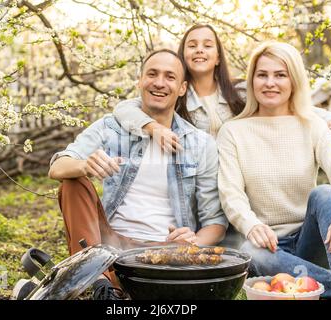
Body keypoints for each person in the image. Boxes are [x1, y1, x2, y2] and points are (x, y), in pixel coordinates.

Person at [112, 24, 331, 249]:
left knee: (246, 249)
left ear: (218, 57)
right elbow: (124, 109)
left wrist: (328, 116)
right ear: (183, 56)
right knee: (236, 249)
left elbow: (286, 101)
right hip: (200, 192)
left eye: (207, 45)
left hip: (237, 187)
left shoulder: (239, 92)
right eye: (192, 45)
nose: (199, 50)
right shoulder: (175, 95)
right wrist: (154, 127)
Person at [48, 49, 228, 300]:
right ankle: (99, 280)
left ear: (182, 88)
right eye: (152, 74)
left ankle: (103, 282)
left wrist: (194, 241)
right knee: (72, 183)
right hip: (108, 242)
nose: (159, 83)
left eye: (169, 77)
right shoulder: (111, 127)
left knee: (175, 265)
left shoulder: (200, 144)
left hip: (165, 248)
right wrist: (84, 165)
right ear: (140, 81)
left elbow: (215, 221)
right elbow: (57, 167)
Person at [216, 41, 331, 300]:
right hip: (268, 246)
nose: (270, 83)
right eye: (262, 75)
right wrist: (251, 224)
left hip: (310, 239)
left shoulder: (313, 125)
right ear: (252, 81)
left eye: (280, 75)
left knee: (324, 193)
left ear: (294, 81)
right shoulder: (233, 132)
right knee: (250, 250)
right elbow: (230, 192)